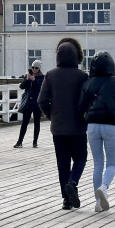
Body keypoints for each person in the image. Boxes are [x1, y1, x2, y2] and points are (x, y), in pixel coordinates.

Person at [38, 38, 89, 210]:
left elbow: (42, 100)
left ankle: (66, 200)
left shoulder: (51, 75)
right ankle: (73, 182)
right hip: (78, 126)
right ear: (76, 56)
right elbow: (87, 101)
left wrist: (52, 115)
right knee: (81, 158)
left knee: (62, 162)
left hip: (58, 127)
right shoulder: (83, 76)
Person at [79, 52, 115, 212]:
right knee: (112, 163)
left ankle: (98, 203)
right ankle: (104, 187)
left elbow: (80, 107)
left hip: (92, 125)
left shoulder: (88, 83)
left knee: (97, 163)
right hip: (111, 125)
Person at [15, 60, 44, 148]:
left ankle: (35, 142)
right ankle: (19, 142)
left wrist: (34, 80)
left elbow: (40, 88)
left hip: (37, 103)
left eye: (36, 68)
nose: (34, 69)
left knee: (37, 122)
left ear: (39, 69)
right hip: (28, 102)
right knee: (24, 122)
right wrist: (27, 79)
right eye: (33, 67)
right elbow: (21, 87)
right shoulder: (28, 75)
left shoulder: (42, 77)